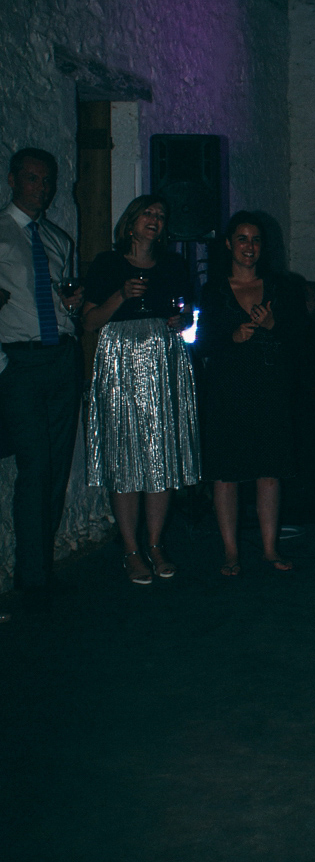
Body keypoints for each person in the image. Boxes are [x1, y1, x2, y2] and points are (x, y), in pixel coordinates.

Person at [83, 195, 199, 585]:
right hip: (120, 360)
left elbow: (187, 317)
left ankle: (155, 544)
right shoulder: (108, 264)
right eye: (148, 213)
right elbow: (88, 322)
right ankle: (131, 549)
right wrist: (122, 295)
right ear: (130, 221)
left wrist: (181, 320)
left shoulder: (172, 265)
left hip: (164, 359)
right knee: (126, 456)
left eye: (161, 216)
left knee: (160, 454)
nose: (155, 220)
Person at [197, 212, 305, 577]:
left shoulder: (282, 287)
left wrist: (273, 326)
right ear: (229, 244)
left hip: (270, 386)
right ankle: (230, 552)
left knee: (269, 470)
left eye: (255, 239)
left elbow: (301, 339)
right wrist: (233, 338)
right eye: (242, 239)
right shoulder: (213, 290)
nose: (249, 246)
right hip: (227, 389)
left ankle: (270, 549)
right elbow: (201, 343)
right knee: (226, 472)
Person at [0, 148, 84, 613]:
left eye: (47, 180)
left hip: (59, 357)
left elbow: (59, 302)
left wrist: (72, 307)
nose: (41, 188)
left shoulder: (56, 239)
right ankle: (31, 577)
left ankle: (41, 570)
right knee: (34, 467)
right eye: (32, 179)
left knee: (53, 467)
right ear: (13, 180)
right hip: (22, 363)